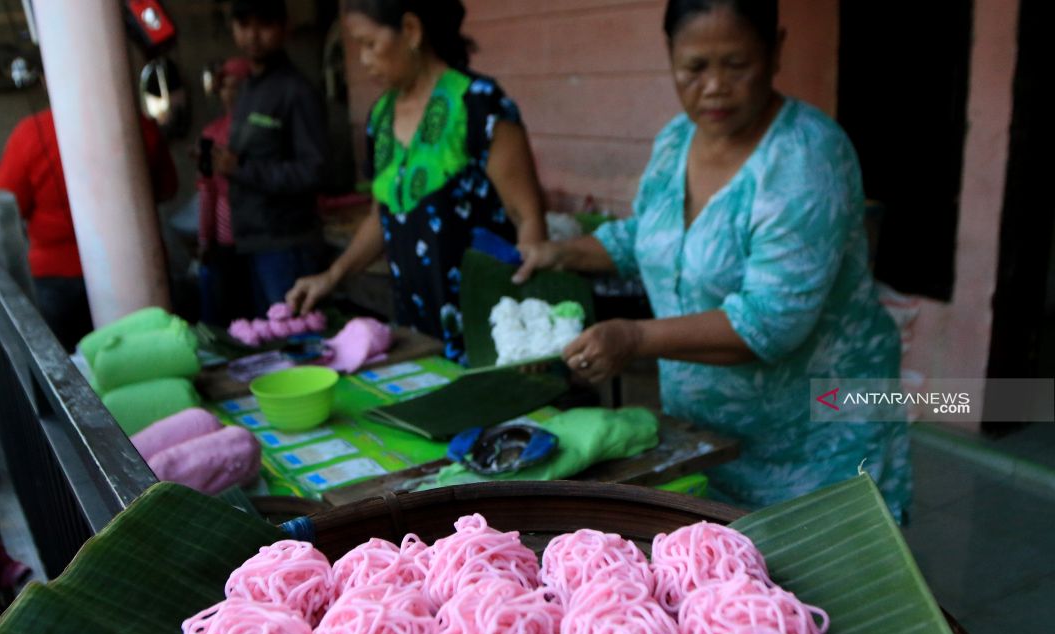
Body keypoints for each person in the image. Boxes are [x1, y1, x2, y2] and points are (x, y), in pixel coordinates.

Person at [514, 0, 911, 520]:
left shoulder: (806, 159)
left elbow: (769, 323)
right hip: (709, 433)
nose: (715, 86)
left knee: (820, 588)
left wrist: (634, 339)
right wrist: (563, 252)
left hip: (817, 435)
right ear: (671, 58)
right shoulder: (676, 139)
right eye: (695, 67)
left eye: (737, 64)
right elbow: (649, 236)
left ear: (775, 54)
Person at [286, 0, 547, 362]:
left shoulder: (479, 105)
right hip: (416, 332)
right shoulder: (381, 117)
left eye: (369, 44)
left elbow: (528, 217)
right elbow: (384, 215)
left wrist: (531, 325)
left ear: (411, 30)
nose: (363, 60)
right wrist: (333, 276)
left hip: (491, 330)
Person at [0, 98, 179, 351]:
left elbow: (9, 206)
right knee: (144, 357)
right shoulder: (140, 126)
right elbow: (166, 190)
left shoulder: (30, 133)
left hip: (58, 277)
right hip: (134, 266)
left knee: (67, 369)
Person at [213, 0, 327, 319]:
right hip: (253, 240)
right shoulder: (249, 88)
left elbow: (313, 170)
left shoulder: (296, 91)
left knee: (297, 340)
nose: (253, 36)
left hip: (287, 243)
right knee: (270, 341)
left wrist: (242, 169)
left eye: (263, 25)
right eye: (243, 25)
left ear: (284, 27)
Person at [196, 57, 251, 326]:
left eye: (239, 86)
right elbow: (207, 190)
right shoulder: (210, 134)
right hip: (226, 238)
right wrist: (205, 239)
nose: (232, 93)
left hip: (262, 234)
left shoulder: (259, 130)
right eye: (227, 86)